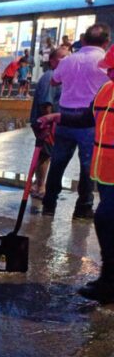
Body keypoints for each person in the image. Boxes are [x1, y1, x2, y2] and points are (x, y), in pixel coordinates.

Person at [39, 45, 114, 304]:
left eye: (113, 70)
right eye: (110, 70)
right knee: (107, 222)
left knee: (105, 219)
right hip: (106, 174)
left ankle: (109, 282)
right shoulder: (105, 91)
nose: (110, 74)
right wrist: (58, 118)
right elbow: (85, 117)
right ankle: (109, 281)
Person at [42, 22, 111, 219]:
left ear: (82, 40)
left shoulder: (68, 60)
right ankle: (83, 208)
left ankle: (49, 205)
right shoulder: (105, 61)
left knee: (58, 162)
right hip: (90, 119)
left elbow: (54, 80)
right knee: (87, 165)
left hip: (64, 117)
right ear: (106, 42)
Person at [29, 47, 69, 198]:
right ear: (53, 61)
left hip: (51, 122)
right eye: (63, 57)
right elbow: (46, 104)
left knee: (45, 155)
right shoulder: (50, 77)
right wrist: (48, 125)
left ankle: (36, 184)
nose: (67, 60)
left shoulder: (57, 76)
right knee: (45, 155)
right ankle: (40, 187)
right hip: (46, 123)